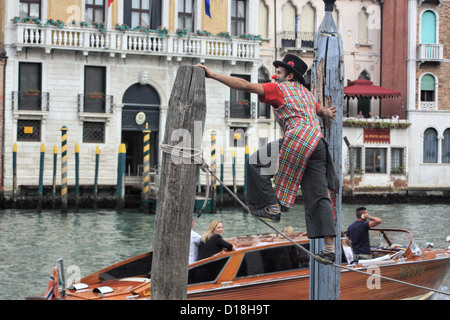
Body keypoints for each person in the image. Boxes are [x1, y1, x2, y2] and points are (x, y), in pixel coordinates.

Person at [196, 53, 339, 265]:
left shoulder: (278, 89)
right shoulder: (306, 94)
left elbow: (244, 85)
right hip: (317, 144)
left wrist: (212, 74)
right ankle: (329, 249)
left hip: (298, 138)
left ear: (289, 76)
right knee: (319, 195)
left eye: (279, 73)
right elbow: (319, 110)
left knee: (256, 162)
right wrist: (327, 112)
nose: (275, 76)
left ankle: (271, 207)